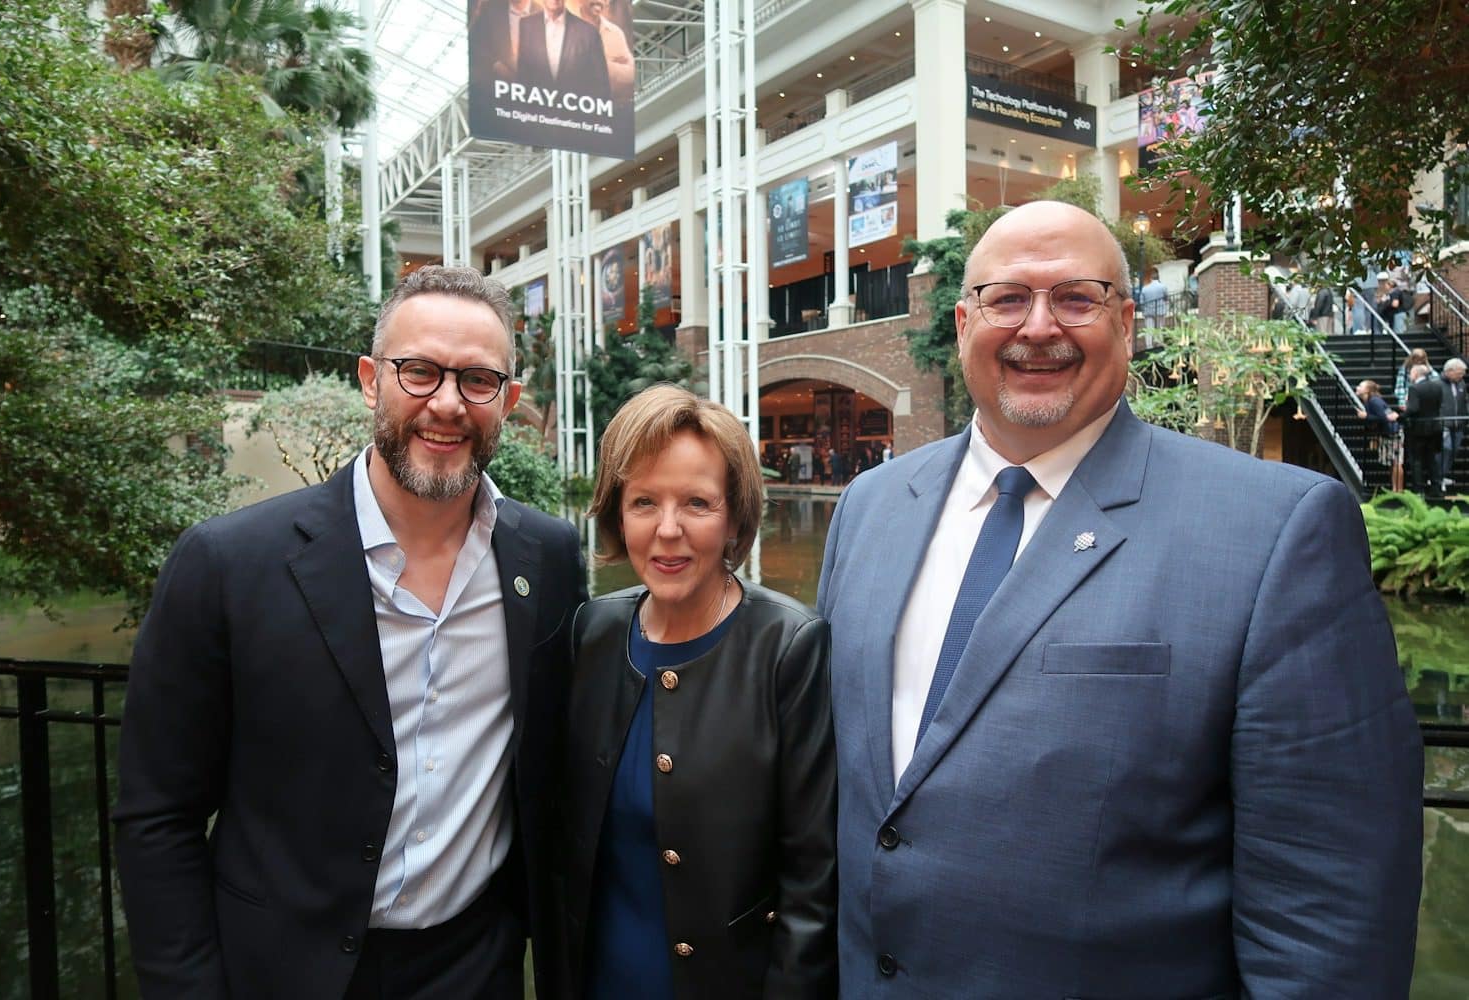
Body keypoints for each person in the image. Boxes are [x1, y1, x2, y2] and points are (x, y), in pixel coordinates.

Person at [817, 201, 1421, 998]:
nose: (1039, 327)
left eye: (1077, 298)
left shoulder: (1276, 532)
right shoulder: (868, 509)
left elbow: (1328, 914)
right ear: (964, 323)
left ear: (1127, 323)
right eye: (1007, 299)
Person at [114, 266, 589, 999]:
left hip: (474, 966)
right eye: (419, 371)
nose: (447, 403)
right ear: (371, 380)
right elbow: (158, 814)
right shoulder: (228, 564)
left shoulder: (548, 559)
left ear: (508, 400)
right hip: (282, 973)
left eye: (478, 380)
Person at [560, 384, 837, 1000]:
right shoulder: (593, 631)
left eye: (697, 503)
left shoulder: (787, 647)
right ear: (617, 513)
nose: (668, 530)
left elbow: (811, 880)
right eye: (643, 502)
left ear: (734, 516)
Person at [517, 0, 611, 102]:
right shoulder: (526, 25)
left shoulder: (589, 32)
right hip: (536, 109)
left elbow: (601, 85)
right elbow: (523, 75)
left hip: (576, 109)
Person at [1356, 379, 1404, 492]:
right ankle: (1395, 488)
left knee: (1396, 462)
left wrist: (1366, 416)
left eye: (1360, 386)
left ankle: (1398, 489)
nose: (1357, 388)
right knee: (1392, 462)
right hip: (1387, 433)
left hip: (1393, 433)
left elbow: (1383, 418)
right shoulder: (1369, 401)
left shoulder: (1374, 401)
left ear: (1367, 390)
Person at [1406, 362, 1445, 496]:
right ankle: (1436, 488)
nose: (1410, 375)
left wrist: (1401, 416)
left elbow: (1413, 408)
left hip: (1418, 429)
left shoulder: (1414, 388)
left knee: (1417, 460)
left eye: (1411, 373)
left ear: (1416, 374)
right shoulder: (1437, 386)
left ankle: (1418, 489)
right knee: (1432, 459)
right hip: (1435, 427)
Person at [583, 0, 633, 102]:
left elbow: (630, 74)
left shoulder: (615, 32)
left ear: (607, 3)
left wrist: (603, 64)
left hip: (607, 103)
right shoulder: (567, 26)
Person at [1441, 358, 1466, 487]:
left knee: (1454, 451)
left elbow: (1463, 402)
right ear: (1449, 371)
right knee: (1446, 449)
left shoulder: (1461, 384)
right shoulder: (1438, 384)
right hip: (1444, 424)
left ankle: (1443, 475)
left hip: (1459, 425)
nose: (1462, 376)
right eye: (1459, 373)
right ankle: (1438, 477)